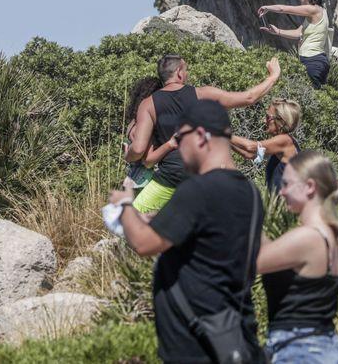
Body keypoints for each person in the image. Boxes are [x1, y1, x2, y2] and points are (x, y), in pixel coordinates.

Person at [106, 100, 265, 362]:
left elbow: (143, 244)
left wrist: (123, 205)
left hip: (195, 345)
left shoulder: (198, 190)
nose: (177, 145)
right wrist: (155, 218)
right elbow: (210, 230)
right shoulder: (250, 193)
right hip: (234, 333)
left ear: (201, 136)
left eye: (181, 137)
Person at [125, 54, 281, 212]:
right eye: (186, 70)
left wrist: (127, 155)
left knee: (131, 220)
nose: (187, 74)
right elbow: (248, 98)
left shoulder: (147, 104)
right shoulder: (202, 94)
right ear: (179, 72)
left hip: (171, 176)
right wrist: (273, 77)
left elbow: (138, 150)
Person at [258, 151, 338, 362]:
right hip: (321, 347)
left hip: (300, 350)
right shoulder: (333, 235)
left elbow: (255, 262)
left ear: (309, 186)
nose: (281, 192)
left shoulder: (309, 237)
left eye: (287, 184)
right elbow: (272, 256)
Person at [258, 0, 331, 87]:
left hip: (311, 61)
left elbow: (284, 9)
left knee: (311, 98)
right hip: (318, 61)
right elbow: (298, 33)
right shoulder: (319, 12)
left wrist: (267, 7)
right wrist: (277, 31)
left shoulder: (313, 9)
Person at [122, 77, 174, 209]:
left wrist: (128, 156)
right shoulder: (146, 125)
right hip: (146, 181)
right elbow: (147, 160)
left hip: (133, 179)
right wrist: (170, 144)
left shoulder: (133, 122)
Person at [231, 98, 302, 193]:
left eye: (268, 117)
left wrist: (221, 131)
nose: (264, 121)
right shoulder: (283, 143)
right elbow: (249, 154)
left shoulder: (285, 141)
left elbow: (250, 147)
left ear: (281, 120)